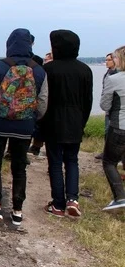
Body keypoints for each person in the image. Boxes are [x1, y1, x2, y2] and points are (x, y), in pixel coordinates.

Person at [0, 28, 49, 228]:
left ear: (9, 44)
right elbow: (42, 103)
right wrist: (31, 120)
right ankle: (17, 211)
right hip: (24, 128)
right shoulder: (39, 70)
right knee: (19, 168)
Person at [39, 30, 93, 218]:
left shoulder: (49, 70)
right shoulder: (85, 70)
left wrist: (41, 124)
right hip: (75, 122)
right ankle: (73, 199)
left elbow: (43, 100)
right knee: (72, 161)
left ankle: (58, 205)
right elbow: (88, 101)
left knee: (55, 163)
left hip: (53, 122)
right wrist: (82, 122)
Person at [100, 46, 125, 212]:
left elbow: (104, 105)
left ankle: (120, 197)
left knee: (109, 161)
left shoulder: (114, 79)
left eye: (115, 58)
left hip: (119, 126)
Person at [95, 52, 117, 159]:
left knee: (111, 131)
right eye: (106, 60)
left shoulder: (116, 74)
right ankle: (106, 152)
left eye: (109, 60)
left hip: (115, 109)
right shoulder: (108, 73)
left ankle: (111, 155)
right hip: (108, 107)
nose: (106, 62)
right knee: (107, 130)